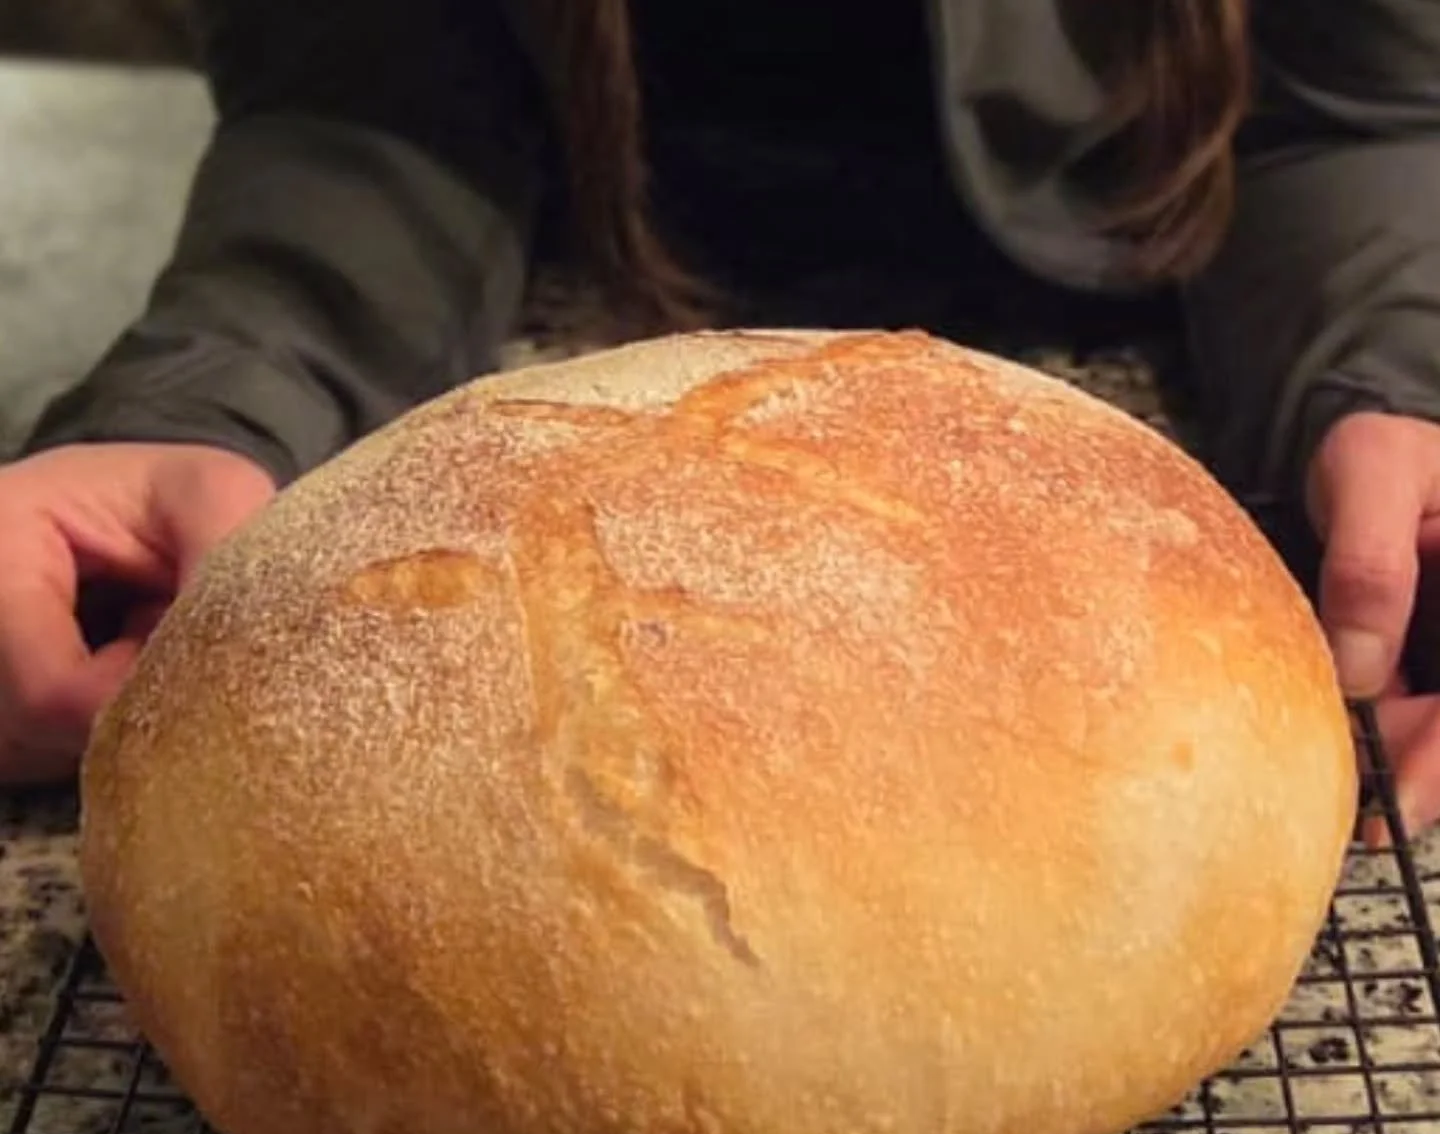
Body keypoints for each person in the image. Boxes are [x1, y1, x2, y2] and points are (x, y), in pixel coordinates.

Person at [3, 0, 1440, 836]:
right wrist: (210, 396)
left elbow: (1347, 111)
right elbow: (370, 98)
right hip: (568, 320)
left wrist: (1394, 383)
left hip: (1129, 361)